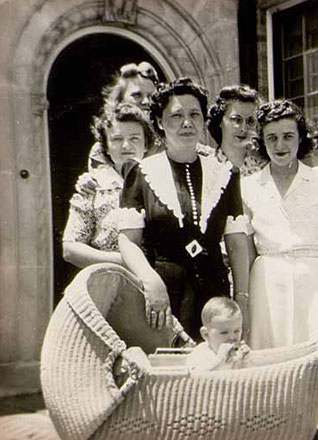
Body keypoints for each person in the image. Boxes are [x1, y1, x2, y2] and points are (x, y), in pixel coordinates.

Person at [241, 100, 318, 439]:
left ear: (301, 138)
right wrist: (244, 306)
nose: (280, 145)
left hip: (314, 284)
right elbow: (245, 252)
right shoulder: (247, 186)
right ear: (261, 140)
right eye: (272, 137)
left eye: (288, 136)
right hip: (266, 287)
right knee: (270, 378)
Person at [118, 78, 250, 340]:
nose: (187, 123)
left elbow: (236, 243)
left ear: (203, 122)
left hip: (214, 296)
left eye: (194, 115)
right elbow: (127, 240)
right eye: (176, 116)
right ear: (159, 122)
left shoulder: (225, 174)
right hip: (163, 296)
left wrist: (242, 299)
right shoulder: (141, 173)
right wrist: (150, 281)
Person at [62, 102, 156, 268]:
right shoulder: (92, 186)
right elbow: (70, 248)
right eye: (117, 139)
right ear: (106, 147)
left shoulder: (162, 182)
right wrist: (127, 262)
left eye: (134, 138)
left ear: (146, 143)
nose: (126, 146)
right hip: (109, 279)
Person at [207, 85, 267, 176]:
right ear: (220, 121)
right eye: (236, 120)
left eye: (250, 121)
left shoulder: (266, 169)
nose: (244, 128)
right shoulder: (207, 167)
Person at [186, 297, 251, 372]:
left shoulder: (237, 354)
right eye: (224, 332)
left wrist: (245, 361)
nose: (232, 337)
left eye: (237, 331)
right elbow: (194, 377)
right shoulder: (200, 353)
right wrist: (219, 361)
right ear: (206, 334)